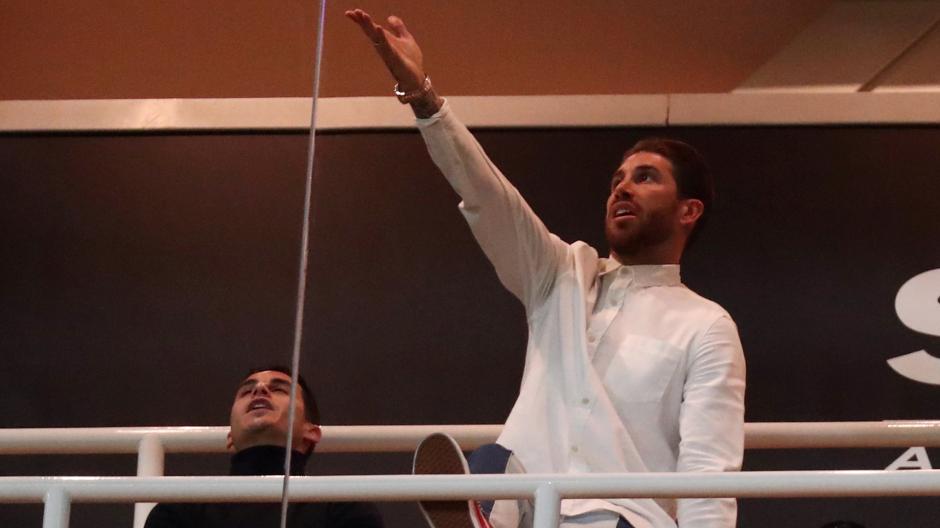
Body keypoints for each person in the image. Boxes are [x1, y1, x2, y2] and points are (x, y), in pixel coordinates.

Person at [346, 9, 746, 528]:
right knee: (494, 461)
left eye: (646, 178)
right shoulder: (560, 275)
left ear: (689, 210)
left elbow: (707, 474)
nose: (622, 189)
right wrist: (424, 98)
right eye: (617, 180)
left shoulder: (706, 325)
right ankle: (486, 511)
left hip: (620, 518)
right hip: (527, 504)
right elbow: (489, 197)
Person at [145, 366, 385, 528]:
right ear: (230, 437)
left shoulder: (345, 509)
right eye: (246, 391)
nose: (259, 390)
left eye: (279, 389)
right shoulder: (180, 510)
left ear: (311, 432)